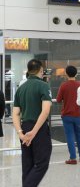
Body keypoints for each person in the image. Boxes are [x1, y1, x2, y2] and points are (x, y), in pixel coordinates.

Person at [12, 59, 53, 187]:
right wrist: (34, 132)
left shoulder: (21, 88)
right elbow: (45, 111)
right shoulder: (43, 86)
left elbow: (15, 113)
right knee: (42, 164)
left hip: (24, 128)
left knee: (27, 164)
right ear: (41, 70)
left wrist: (21, 133)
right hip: (38, 129)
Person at [56, 65, 80, 164]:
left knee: (70, 137)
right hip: (79, 114)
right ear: (76, 74)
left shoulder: (64, 85)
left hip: (67, 115)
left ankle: (73, 158)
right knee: (79, 135)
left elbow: (59, 100)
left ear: (66, 74)